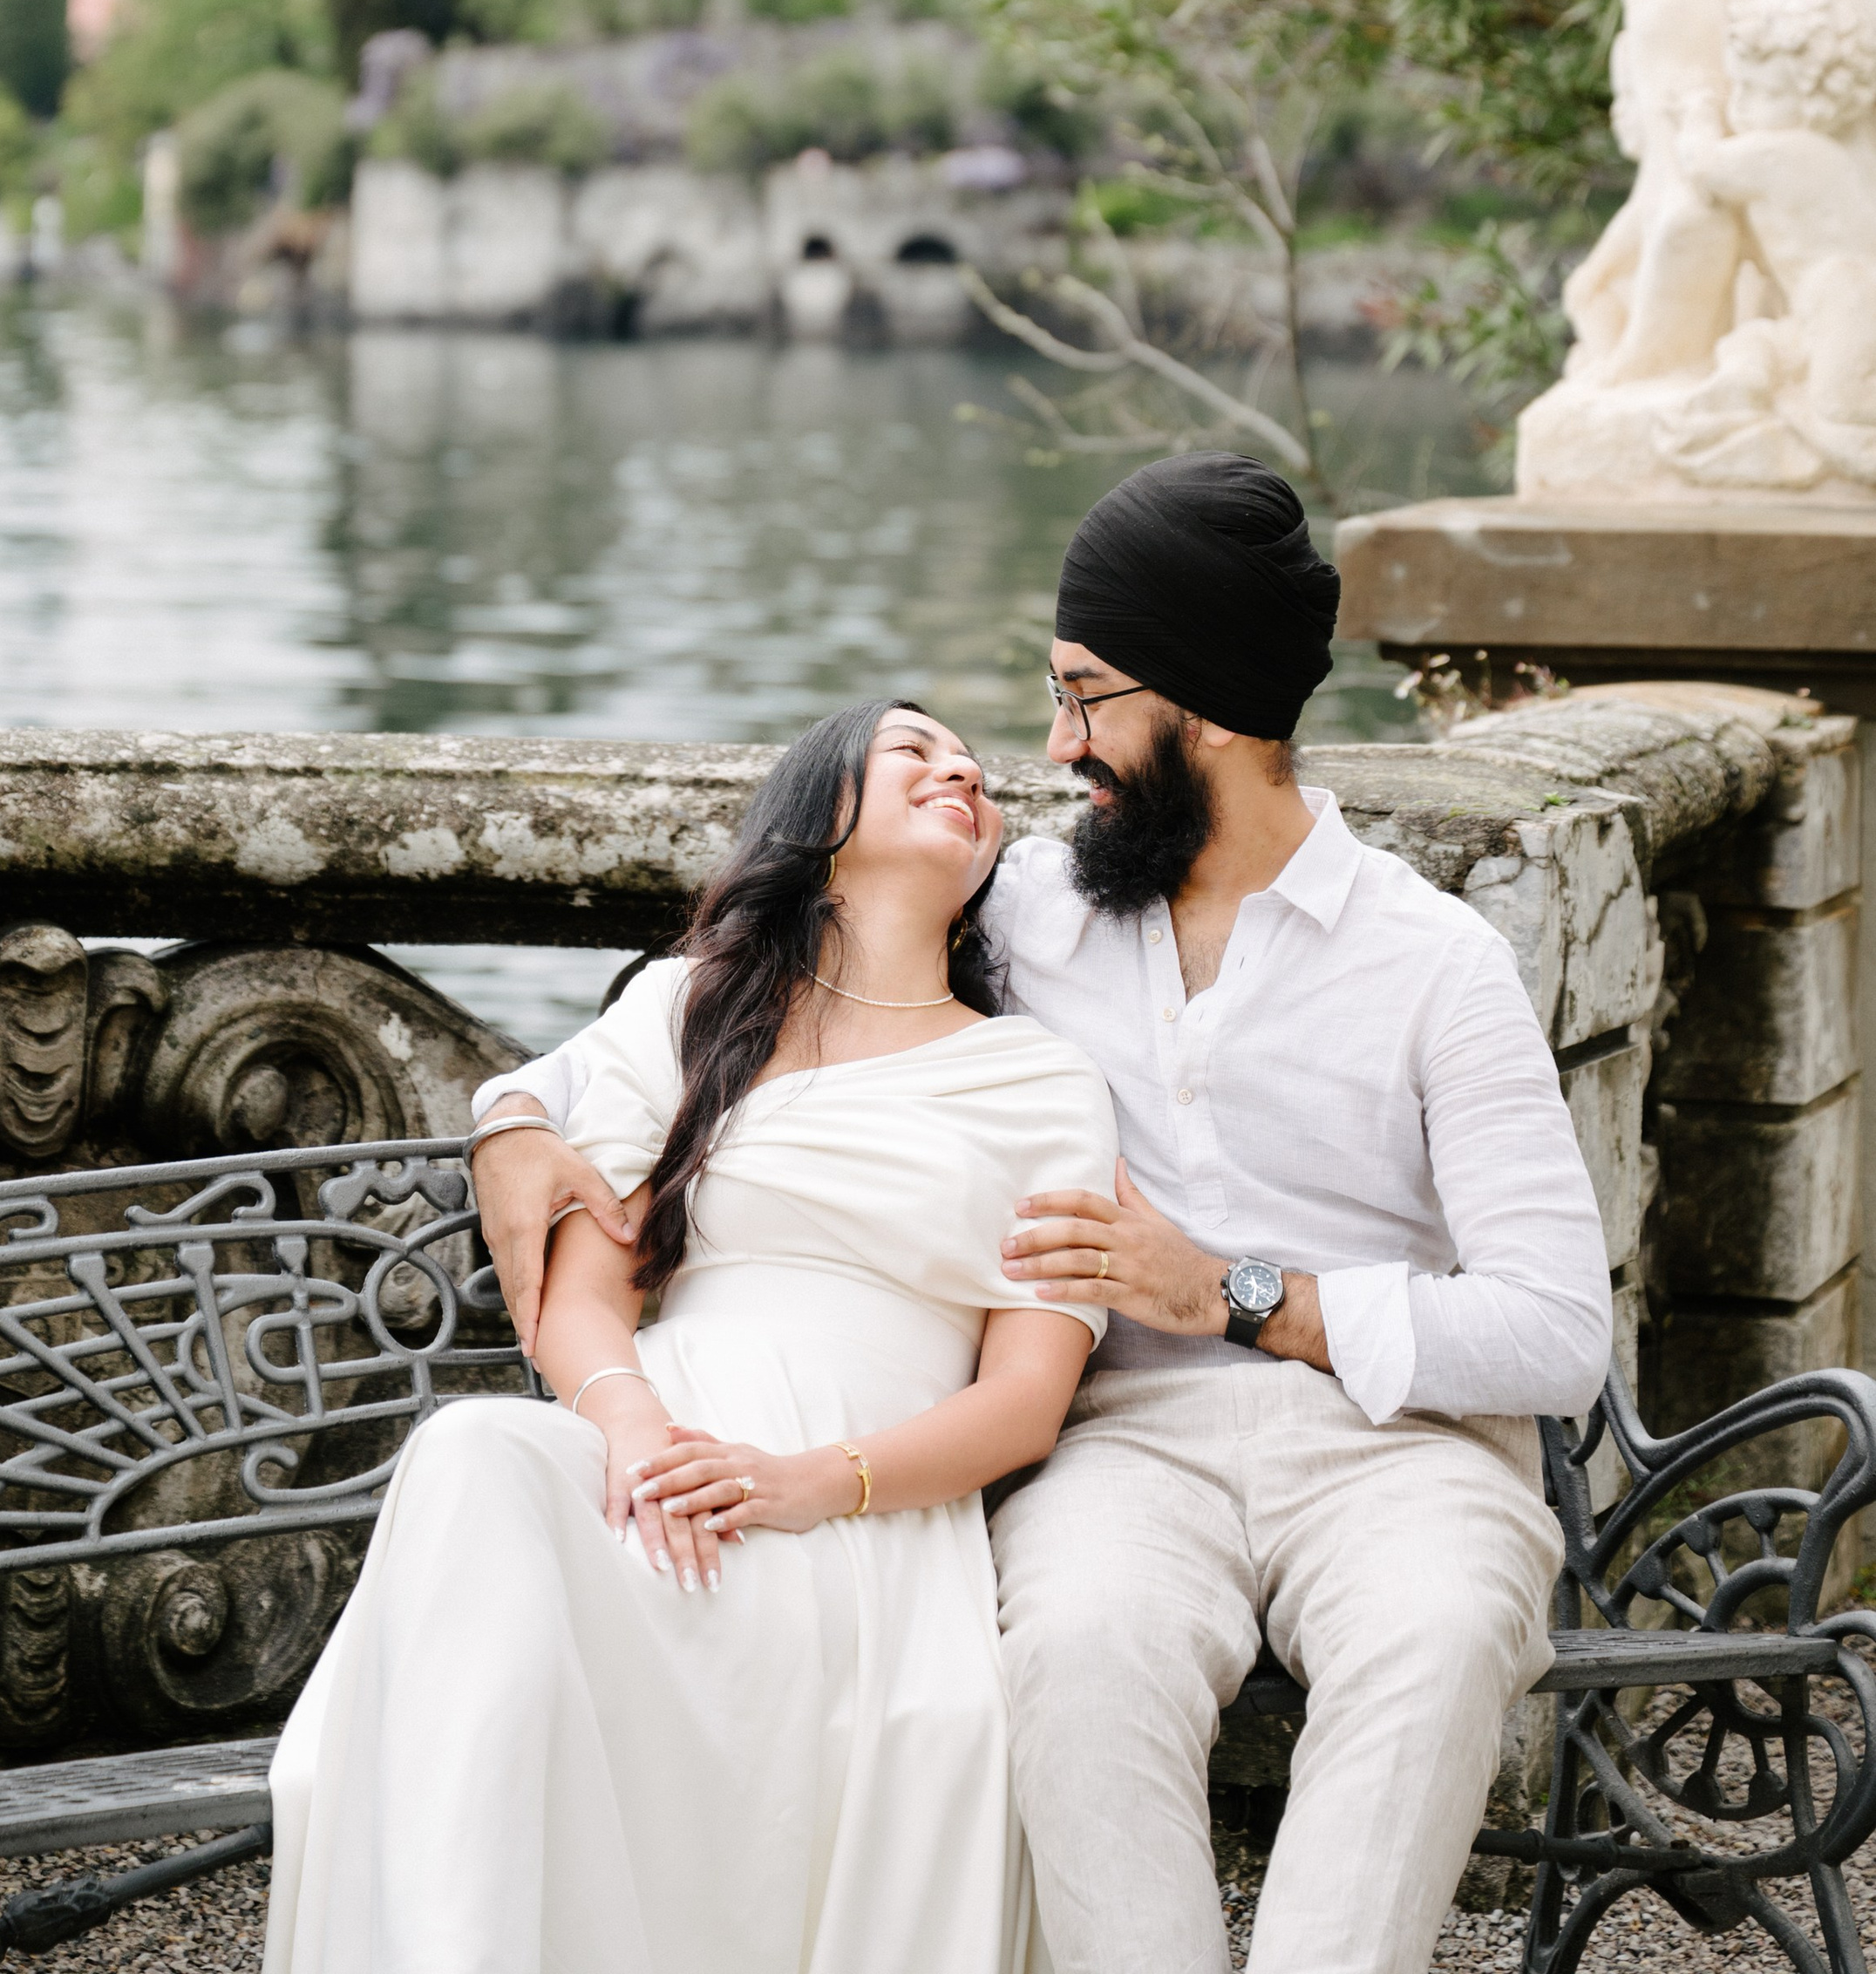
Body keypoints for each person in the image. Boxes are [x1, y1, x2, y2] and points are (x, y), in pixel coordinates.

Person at [476, 454, 1615, 1974]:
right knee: (1073, 1655)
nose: (1056, 744)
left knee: (1439, 1639)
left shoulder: (1436, 964)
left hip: (1398, 1452)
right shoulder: (1022, 909)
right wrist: (511, 1122)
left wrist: (1238, 1291)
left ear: (1202, 706)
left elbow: (1556, 1334)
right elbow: (720, 1004)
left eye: (1086, 697)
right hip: (1118, 1447)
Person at [262, 698, 1119, 1974]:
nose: (962, 775)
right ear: (821, 812)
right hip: (652, 1449)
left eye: (977, 772)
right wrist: (635, 1432)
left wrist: (808, 1485)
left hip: (863, 1504)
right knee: (474, 1457)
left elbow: (1025, 1399)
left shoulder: (1041, 1080)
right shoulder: (692, 1011)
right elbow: (584, 1292)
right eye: (914, 753)